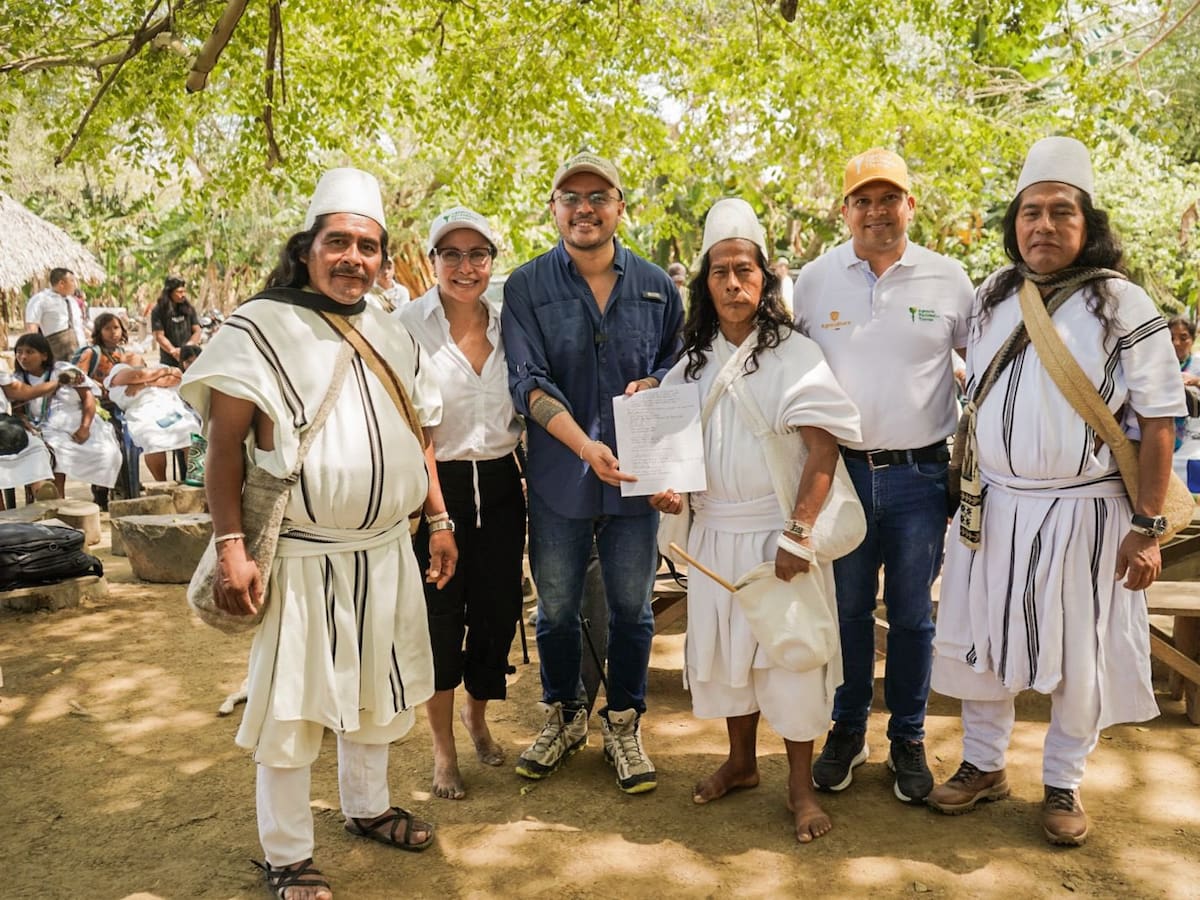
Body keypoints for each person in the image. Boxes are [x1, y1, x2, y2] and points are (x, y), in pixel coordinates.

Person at [180, 168, 446, 900]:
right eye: (339, 242)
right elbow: (225, 445)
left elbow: (421, 432)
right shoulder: (256, 328)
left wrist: (439, 519)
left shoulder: (390, 330)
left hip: (389, 549)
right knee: (293, 707)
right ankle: (288, 853)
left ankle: (365, 807)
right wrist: (231, 546)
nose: (353, 257)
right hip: (301, 558)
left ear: (382, 259)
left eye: (367, 245)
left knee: (377, 691)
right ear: (307, 249)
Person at [928, 136, 1187, 845]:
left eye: (1060, 212)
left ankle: (1064, 780)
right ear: (1015, 221)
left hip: (1089, 513)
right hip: (995, 505)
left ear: (1087, 223)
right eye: (1030, 212)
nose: (1043, 225)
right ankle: (983, 764)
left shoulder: (1123, 302)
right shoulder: (990, 297)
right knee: (984, 635)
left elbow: (1160, 422)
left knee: (1080, 649)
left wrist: (1147, 525)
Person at [652, 198, 861, 842]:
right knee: (726, 659)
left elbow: (823, 447)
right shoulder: (691, 362)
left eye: (746, 269)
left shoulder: (797, 354)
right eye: (721, 272)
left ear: (764, 278)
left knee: (790, 661)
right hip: (715, 531)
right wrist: (672, 494)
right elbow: (678, 456)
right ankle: (741, 763)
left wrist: (799, 534)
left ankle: (800, 789)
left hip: (780, 535)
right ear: (705, 284)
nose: (734, 282)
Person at [793, 147, 974, 804]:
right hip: (837, 476)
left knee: (911, 617)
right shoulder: (814, 281)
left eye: (888, 198)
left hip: (919, 478)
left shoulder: (949, 279)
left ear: (910, 206)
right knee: (845, 610)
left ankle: (907, 735)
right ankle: (847, 728)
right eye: (862, 200)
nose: (876, 211)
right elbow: (785, 364)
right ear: (845, 211)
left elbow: (982, 364)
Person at [502, 151, 684, 793]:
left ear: (619, 207)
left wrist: (656, 383)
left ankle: (624, 723)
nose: (584, 207)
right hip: (559, 481)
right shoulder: (525, 288)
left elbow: (677, 365)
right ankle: (563, 714)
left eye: (598, 195)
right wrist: (584, 447)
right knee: (554, 609)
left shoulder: (660, 286)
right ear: (553, 209)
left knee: (635, 610)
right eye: (570, 196)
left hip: (637, 482)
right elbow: (527, 382)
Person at [395, 206, 525, 801]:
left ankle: (478, 717)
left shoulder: (510, 324)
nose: (465, 267)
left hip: (501, 487)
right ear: (433, 262)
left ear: (492, 262)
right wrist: (439, 516)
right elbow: (412, 427)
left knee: (497, 614)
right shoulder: (406, 326)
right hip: (435, 487)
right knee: (441, 622)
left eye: (478, 255)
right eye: (452, 254)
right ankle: (444, 750)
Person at [10, 332, 122, 499]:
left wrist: (84, 427)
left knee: (107, 452)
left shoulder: (64, 370)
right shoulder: (16, 380)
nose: (23, 357)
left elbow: (88, 399)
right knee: (52, 452)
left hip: (78, 422)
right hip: (42, 428)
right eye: (19, 352)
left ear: (44, 355)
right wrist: (23, 420)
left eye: (29, 352)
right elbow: (17, 409)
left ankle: (101, 493)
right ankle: (56, 501)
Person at [105, 354, 198, 482]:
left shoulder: (159, 368)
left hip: (170, 408)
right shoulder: (119, 370)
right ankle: (162, 483)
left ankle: (196, 481)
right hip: (142, 411)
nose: (132, 356)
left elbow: (177, 375)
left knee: (193, 432)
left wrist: (146, 383)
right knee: (152, 438)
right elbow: (135, 376)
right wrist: (158, 378)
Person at [24, 268, 83, 362]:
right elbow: (32, 327)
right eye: (72, 281)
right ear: (61, 283)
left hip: (79, 349)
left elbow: (78, 325)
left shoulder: (72, 301)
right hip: (56, 349)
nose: (74, 285)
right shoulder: (41, 300)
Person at [151, 277, 201, 369]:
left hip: (190, 360)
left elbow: (197, 330)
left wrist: (188, 347)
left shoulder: (189, 309)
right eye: (179, 292)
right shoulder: (158, 311)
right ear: (169, 292)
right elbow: (159, 336)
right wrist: (173, 351)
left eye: (184, 291)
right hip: (169, 361)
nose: (183, 295)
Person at [1167, 317, 1200, 451]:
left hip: (1193, 444)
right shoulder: (1158, 368)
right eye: (1171, 338)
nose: (1176, 343)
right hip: (1164, 435)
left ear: (1192, 339)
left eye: (1183, 337)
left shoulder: (1197, 364)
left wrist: (1196, 381)